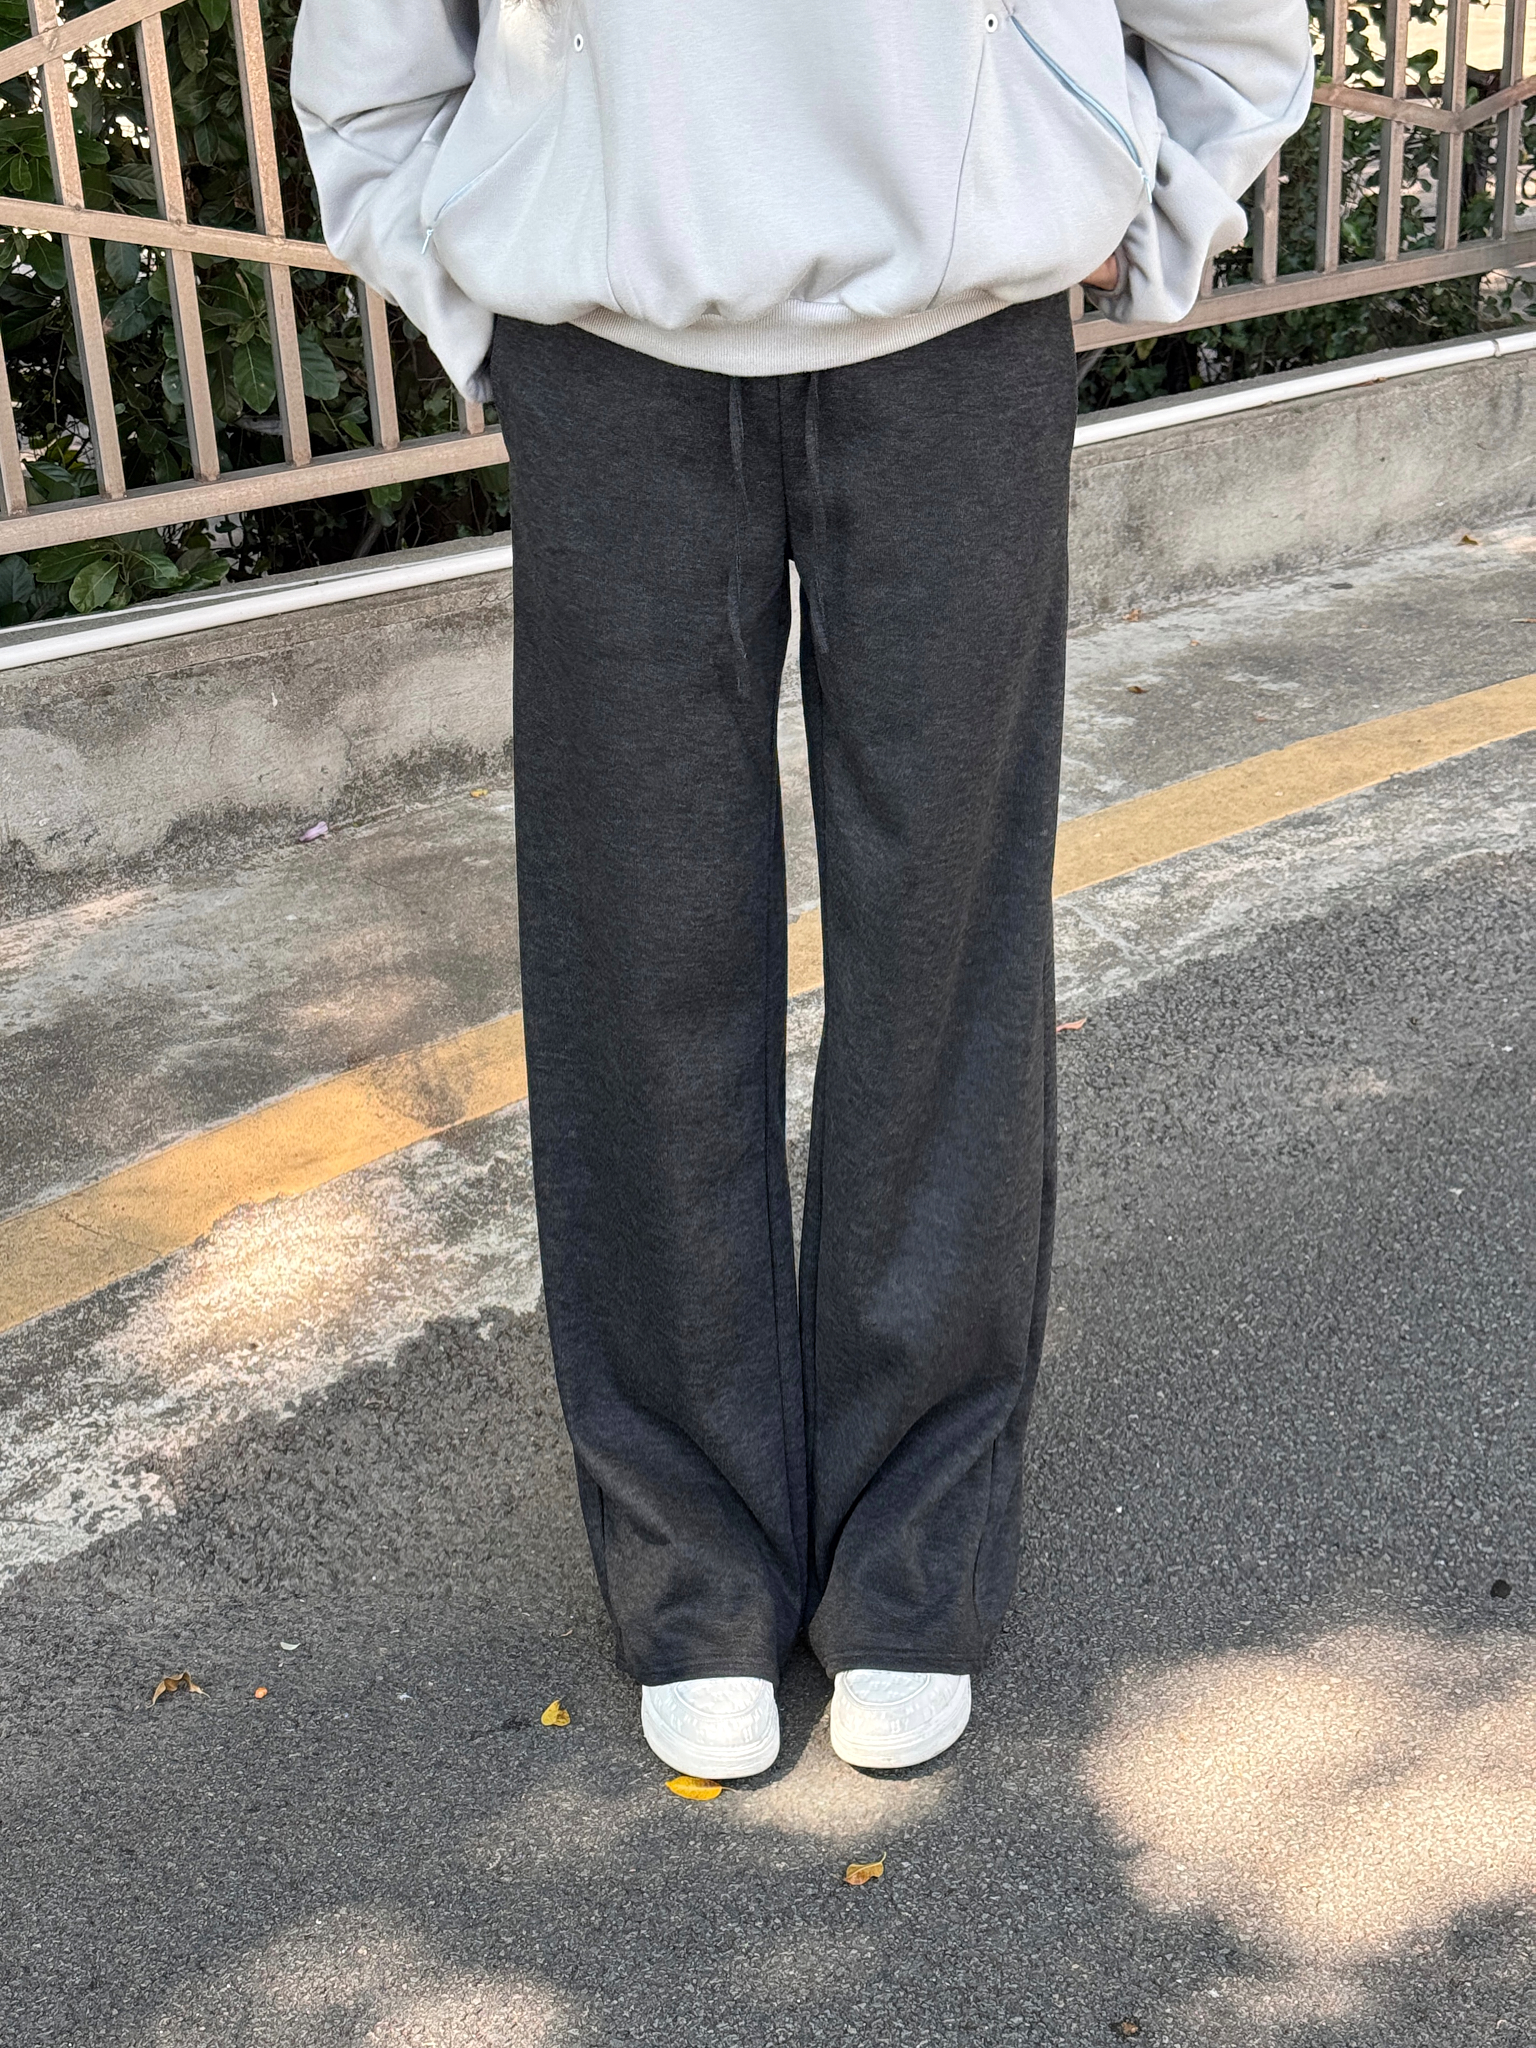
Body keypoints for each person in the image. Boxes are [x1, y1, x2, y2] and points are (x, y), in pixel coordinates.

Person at [293, 0, 1313, 1780]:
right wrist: (482, 302)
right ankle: (689, 1564)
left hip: (963, 342)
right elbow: (376, 66)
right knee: (636, 953)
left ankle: (915, 1550)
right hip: (609, 354)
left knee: (945, 945)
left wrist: (1139, 219)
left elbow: (1233, 29)